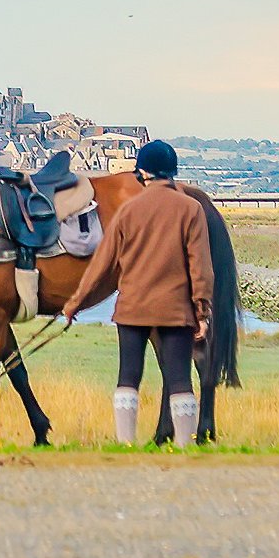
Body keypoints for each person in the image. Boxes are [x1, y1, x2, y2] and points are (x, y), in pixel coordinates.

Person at [66, 141, 215, 447]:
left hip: (132, 307)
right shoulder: (191, 209)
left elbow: (101, 265)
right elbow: (201, 267)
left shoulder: (128, 210)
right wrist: (202, 311)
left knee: (128, 378)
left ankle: (125, 445)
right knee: (180, 381)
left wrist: (74, 303)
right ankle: (185, 448)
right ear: (172, 172)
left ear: (143, 172)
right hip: (175, 309)